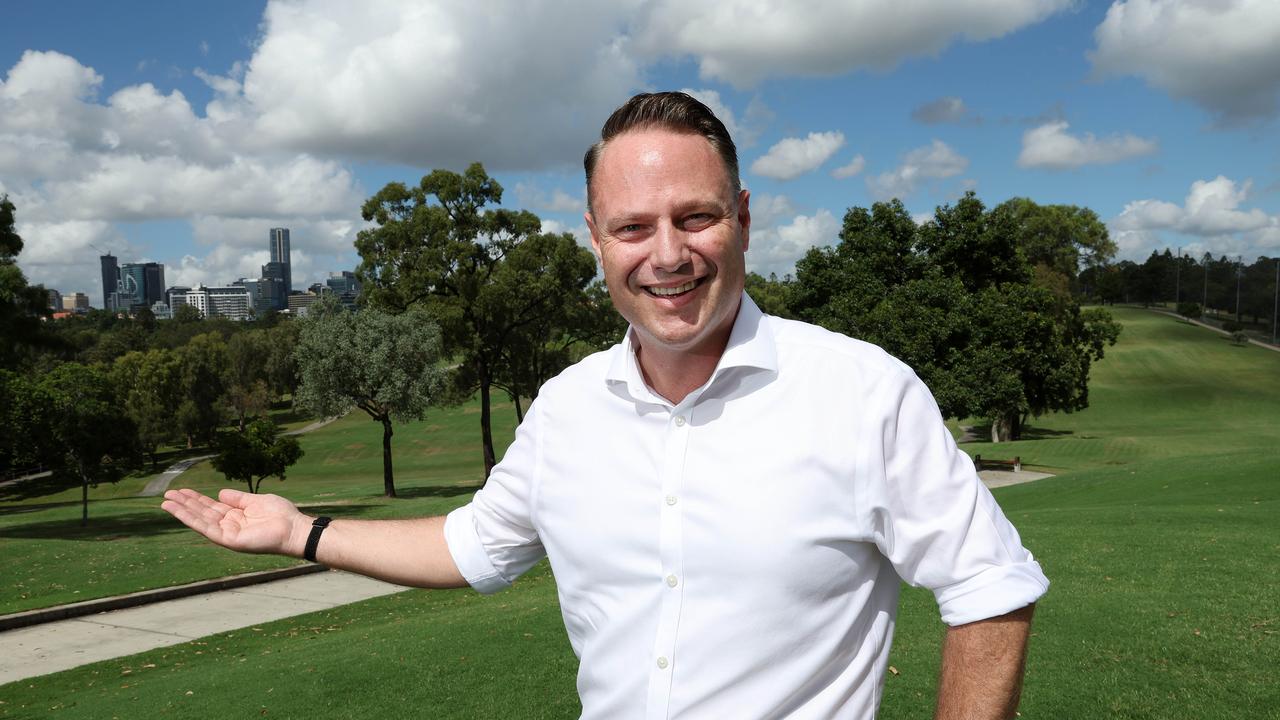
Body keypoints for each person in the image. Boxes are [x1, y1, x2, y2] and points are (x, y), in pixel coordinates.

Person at [162, 91, 1047, 719]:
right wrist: (300, 533)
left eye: (695, 218)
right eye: (632, 228)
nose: (667, 254)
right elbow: (473, 546)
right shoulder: (566, 407)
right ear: (596, 239)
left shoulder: (862, 391)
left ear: (743, 215)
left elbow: (990, 586)